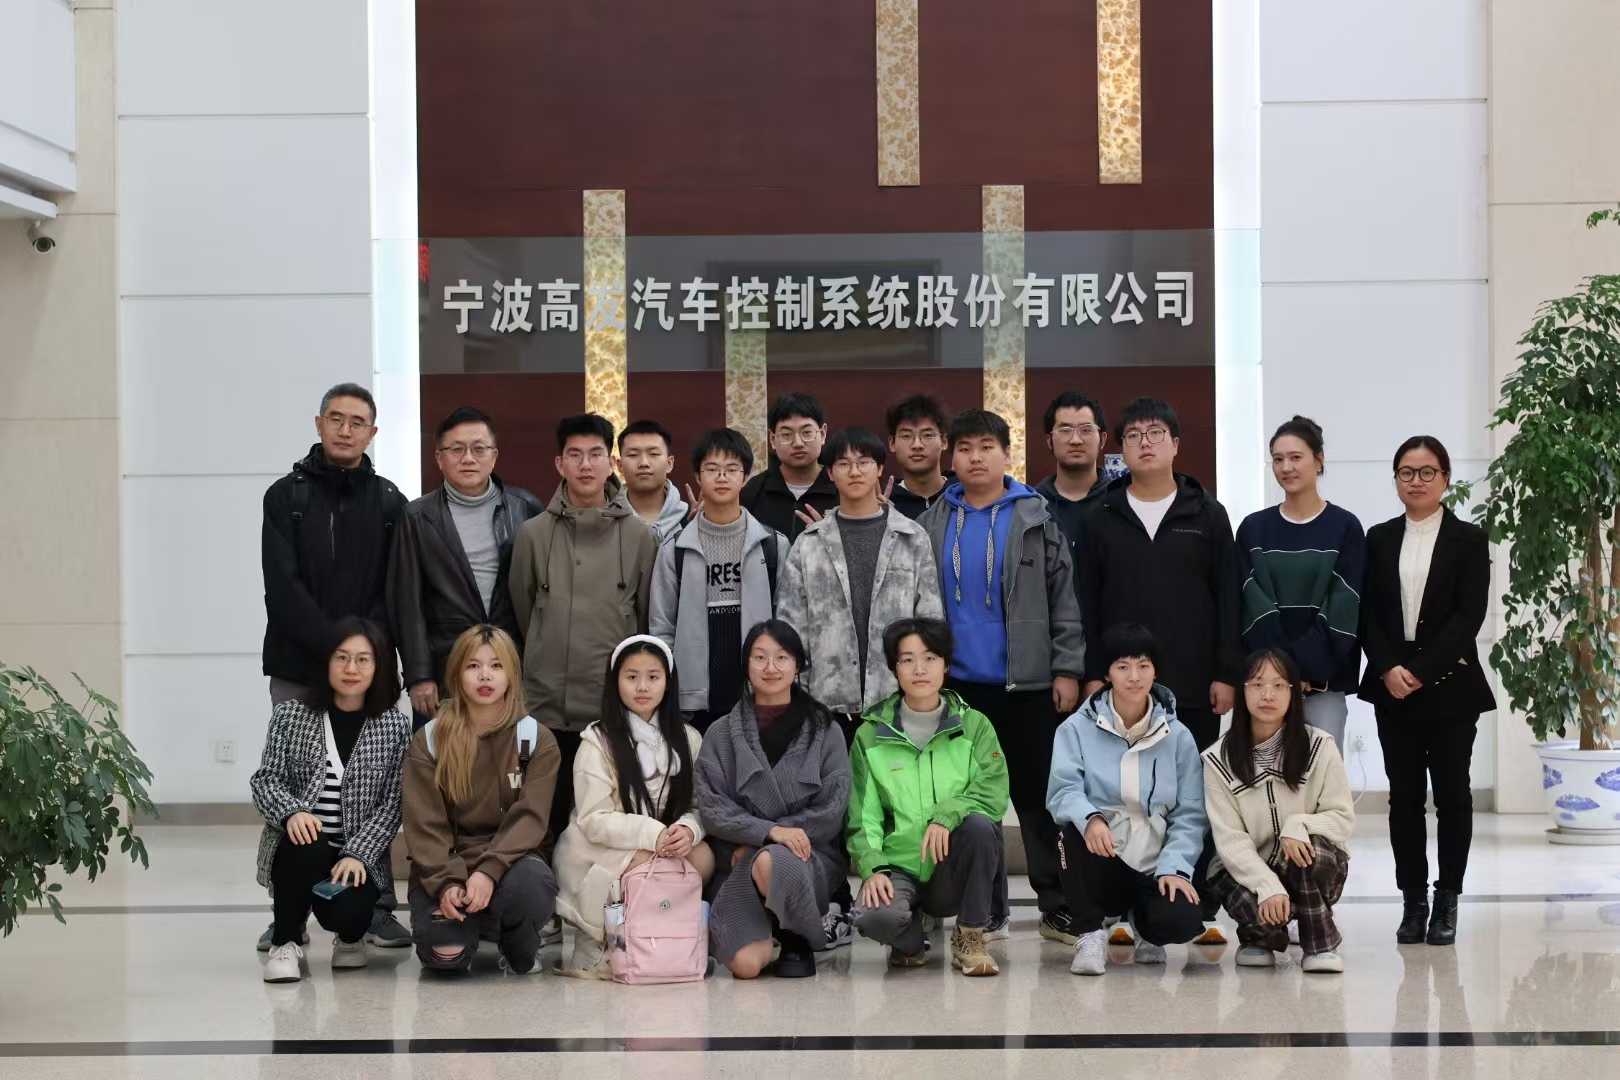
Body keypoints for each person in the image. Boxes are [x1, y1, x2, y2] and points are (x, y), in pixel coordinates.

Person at [1074, 397, 1240, 943]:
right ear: (1119, 449)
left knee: (1193, 796)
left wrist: (1226, 672)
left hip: (1193, 682)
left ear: (1175, 444)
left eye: (1155, 433)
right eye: (1133, 435)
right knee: (1123, 795)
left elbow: (1228, 598)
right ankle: (1124, 909)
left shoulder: (1206, 514)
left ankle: (1196, 902)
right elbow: (1086, 601)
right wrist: (1094, 673)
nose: (1144, 443)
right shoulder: (1101, 516)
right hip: (1121, 689)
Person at [917, 408, 1085, 945]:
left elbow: (1065, 601)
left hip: (1028, 685)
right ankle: (986, 910)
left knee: (1038, 801)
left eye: (986, 447)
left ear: (1007, 454)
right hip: (959, 690)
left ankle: (1057, 905)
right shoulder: (932, 522)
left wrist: (1067, 669)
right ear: (952, 457)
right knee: (974, 803)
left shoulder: (1037, 518)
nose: (975, 458)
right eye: (965, 448)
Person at [777, 427, 945, 946]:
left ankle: (912, 905)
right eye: (844, 463)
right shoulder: (808, 544)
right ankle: (832, 904)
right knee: (828, 811)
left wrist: (925, 693)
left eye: (864, 461)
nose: (854, 471)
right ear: (830, 473)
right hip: (825, 706)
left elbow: (930, 620)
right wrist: (797, 700)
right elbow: (790, 626)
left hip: (896, 704)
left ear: (879, 470)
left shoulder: (912, 538)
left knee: (903, 808)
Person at [258, 382, 410, 951]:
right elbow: (282, 586)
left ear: (373, 432)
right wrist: (336, 650)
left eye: (358, 422)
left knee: (373, 785)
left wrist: (364, 652)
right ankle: (288, 912)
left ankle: (373, 907)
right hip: (300, 664)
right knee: (297, 783)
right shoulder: (285, 496)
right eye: (337, 419)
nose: (346, 430)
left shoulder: (391, 501)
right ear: (319, 423)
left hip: (369, 669)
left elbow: (393, 588)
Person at [1360, 435, 1495, 947]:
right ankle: (1413, 902)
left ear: (1445, 479)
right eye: (1406, 472)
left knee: (1454, 796)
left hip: (1450, 685)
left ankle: (1447, 899)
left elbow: (1469, 614)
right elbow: (1368, 611)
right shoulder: (1378, 537)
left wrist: (1421, 670)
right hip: (1393, 685)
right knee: (1405, 798)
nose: (1416, 481)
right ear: (1396, 478)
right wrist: (1388, 666)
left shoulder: (1469, 538)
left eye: (1426, 472)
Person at [509, 413, 658, 860]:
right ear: (560, 463)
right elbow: (523, 610)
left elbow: (645, 619)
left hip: (609, 704)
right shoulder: (533, 534)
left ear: (611, 462)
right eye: (574, 455)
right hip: (545, 702)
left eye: (595, 454)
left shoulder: (639, 536)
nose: (585, 464)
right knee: (543, 814)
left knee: (603, 816)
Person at [251, 618, 412, 983]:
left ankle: (350, 939)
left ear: (379, 667)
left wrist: (358, 853)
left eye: (363, 659)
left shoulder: (394, 727)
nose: (351, 668)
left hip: (356, 857)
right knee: (303, 841)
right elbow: (265, 780)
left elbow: (393, 805)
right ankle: (285, 941)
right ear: (325, 662)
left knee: (350, 912)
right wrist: (291, 812)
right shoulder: (291, 716)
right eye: (341, 657)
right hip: (302, 848)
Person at [849, 618, 1009, 976]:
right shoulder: (870, 735)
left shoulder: (974, 725)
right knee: (872, 917)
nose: (919, 669)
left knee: (981, 826)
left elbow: (993, 789)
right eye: (907, 660)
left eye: (930, 658)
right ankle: (910, 943)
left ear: (946, 665)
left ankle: (970, 936)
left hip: (950, 869)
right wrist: (872, 868)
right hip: (900, 866)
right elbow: (863, 817)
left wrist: (946, 816)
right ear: (895, 668)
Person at [1047, 624, 1208, 975]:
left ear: (1155, 671)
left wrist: (1174, 868)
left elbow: (1191, 814)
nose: (1134, 677)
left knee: (1182, 921)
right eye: (1123, 667)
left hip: (1154, 863)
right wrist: (1091, 818)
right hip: (1105, 857)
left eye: (1143, 666)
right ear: (1107, 674)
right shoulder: (1075, 729)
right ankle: (1090, 932)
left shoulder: (1178, 737)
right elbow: (1064, 790)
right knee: (1070, 833)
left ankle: (1145, 927)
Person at [402, 625, 562, 974]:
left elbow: (530, 818)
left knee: (531, 888)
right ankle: (471, 922)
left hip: (512, 862)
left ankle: (510, 935)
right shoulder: (429, 740)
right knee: (446, 956)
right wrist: (446, 882)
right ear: (457, 674)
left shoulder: (536, 739)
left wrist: (489, 872)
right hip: (446, 863)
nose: (485, 675)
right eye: (473, 666)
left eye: (496, 666)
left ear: (512, 675)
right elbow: (425, 825)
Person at [696, 620, 851, 979]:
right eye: (760, 657)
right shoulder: (720, 733)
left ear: (798, 665)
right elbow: (712, 807)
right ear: (746, 665)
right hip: (735, 863)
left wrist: (763, 841)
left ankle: (797, 935)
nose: (771, 667)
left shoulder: (825, 730)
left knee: (771, 861)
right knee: (746, 966)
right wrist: (768, 832)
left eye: (782, 657)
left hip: (808, 857)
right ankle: (772, 927)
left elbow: (832, 810)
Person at [554, 635, 713, 978]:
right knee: (640, 862)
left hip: (663, 842)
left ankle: (667, 935)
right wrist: (653, 835)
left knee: (702, 857)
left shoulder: (688, 738)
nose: (642, 686)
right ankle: (600, 939)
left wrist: (688, 829)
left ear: (668, 682)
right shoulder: (597, 741)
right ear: (616, 682)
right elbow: (593, 818)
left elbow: (702, 804)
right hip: (602, 845)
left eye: (653, 676)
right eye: (631, 677)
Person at [388, 406, 543, 731]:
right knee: (445, 756)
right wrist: (418, 675)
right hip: (446, 665)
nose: (468, 458)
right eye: (456, 449)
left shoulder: (524, 508)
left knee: (511, 756)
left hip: (509, 664)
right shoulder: (417, 517)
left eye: (479, 448)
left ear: (494, 456)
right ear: (439, 458)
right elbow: (406, 602)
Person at [1204, 648, 1356, 973]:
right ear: (1242, 690)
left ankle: (1320, 944)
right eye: (1257, 684)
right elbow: (1230, 840)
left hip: (1311, 868)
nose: (1268, 695)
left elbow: (1343, 819)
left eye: (1278, 685)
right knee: (1224, 873)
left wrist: (1299, 824)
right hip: (1250, 869)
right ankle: (1259, 938)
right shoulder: (1217, 760)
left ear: (1294, 692)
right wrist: (1267, 885)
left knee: (1306, 848)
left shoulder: (1321, 746)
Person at [1235, 416, 1366, 750]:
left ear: (1319, 460)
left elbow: (1344, 606)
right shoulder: (1253, 529)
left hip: (1322, 689)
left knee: (1323, 775)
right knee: (1263, 774)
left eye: (1296, 457)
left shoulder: (1345, 527)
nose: (1286, 467)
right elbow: (1252, 604)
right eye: (1277, 459)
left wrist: (1301, 671)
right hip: (1265, 687)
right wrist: (1280, 674)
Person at [651, 428, 787, 733]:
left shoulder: (774, 544)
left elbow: (785, 623)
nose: (722, 477)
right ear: (698, 477)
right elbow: (662, 628)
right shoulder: (674, 549)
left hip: (758, 692)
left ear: (746, 476)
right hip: (693, 702)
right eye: (712, 469)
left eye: (732, 469)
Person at [740, 392, 839, 542]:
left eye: (807, 432)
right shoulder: (753, 492)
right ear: (772, 439)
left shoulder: (841, 488)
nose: (798, 443)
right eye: (786, 435)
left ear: (823, 434)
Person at [1035, 391, 1110, 559]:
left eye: (1086, 430)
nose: (1076, 440)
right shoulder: (1032, 506)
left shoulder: (1121, 502)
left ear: (1103, 439)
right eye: (1065, 430)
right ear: (1049, 441)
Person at [616, 419, 689, 544]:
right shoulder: (604, 521)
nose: (644, 463)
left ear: (669, 463)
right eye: (633, 455)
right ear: (620, 465)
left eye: (654, 454)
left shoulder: (691, 520)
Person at [885, 394, 952, 521]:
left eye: (927, 435)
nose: (917, 445)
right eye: (906, 436)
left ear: (944, 441)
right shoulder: (883, 503)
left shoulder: (963, 496)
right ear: (892, 443)